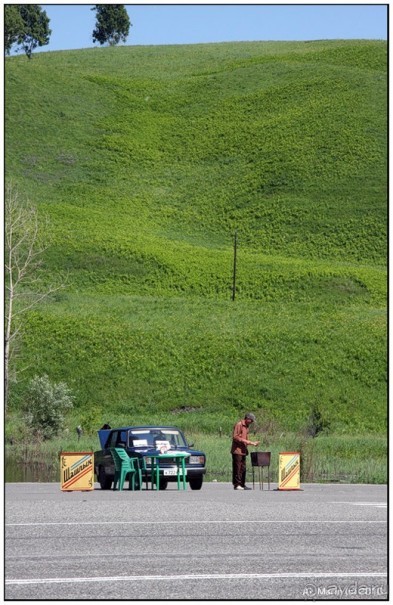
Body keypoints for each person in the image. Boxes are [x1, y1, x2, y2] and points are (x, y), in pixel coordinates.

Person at [231, 413, 260, 490]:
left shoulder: (247, 427)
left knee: (243, 468)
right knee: (237, 467)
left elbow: (245, 439)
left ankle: (242, 484)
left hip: (243, 450)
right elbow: (235, 437)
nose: (252, 422)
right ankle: (237, 485)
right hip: (237, 450)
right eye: (251, 420)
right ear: (247, 419)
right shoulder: (239, 424)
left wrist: (249, 444)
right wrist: (249, 442)